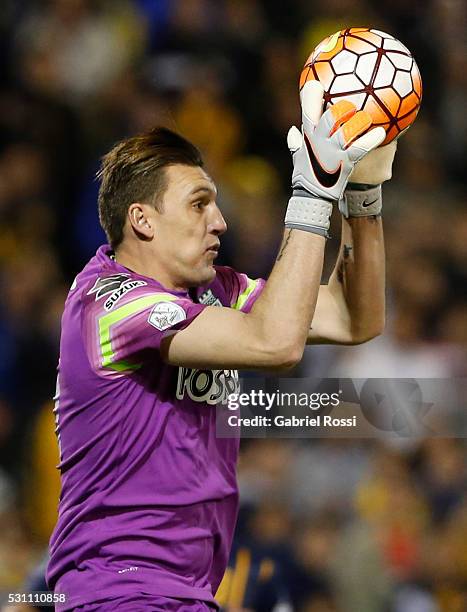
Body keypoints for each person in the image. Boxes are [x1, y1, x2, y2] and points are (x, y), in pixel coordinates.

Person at [46, 81, 395, 611]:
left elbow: (355, 317)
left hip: (184, 592)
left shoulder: (215, 292)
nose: (220, 221)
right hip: (119, 591)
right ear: (142, 219)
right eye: (199, 204)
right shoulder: (110, 306)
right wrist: (312, 194)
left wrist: (360, 198)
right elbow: (276, 345)